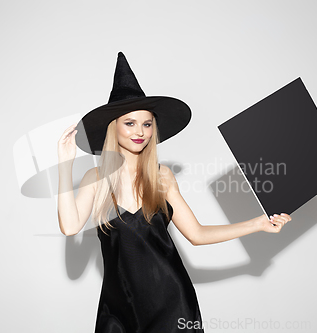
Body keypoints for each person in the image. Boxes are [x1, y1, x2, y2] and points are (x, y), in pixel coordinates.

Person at [57, 52, 291, 333]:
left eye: (146, 123)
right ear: (113, 128)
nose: (139, 131)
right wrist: (63, 165)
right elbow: (70, 227)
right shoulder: (95, 179)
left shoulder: (162, 177)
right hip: (118, 310)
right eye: (129, 123)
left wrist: (257, 224)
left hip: (172, 305)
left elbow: (197, 234)